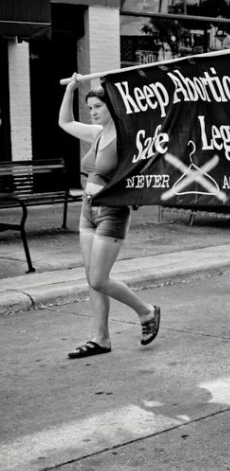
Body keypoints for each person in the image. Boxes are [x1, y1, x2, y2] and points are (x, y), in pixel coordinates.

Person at [59, 77, 160, 358]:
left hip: (112, 212)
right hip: (87, 209)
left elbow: (146, 168)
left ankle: (146, 311)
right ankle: (101, 339)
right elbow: (65, 122)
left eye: (98, 106)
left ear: (112, 106)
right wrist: (70, 90)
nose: (92, 112)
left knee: (99, 278)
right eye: (90, 107)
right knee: (91, 277)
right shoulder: (97, 133)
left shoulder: (127, 138)